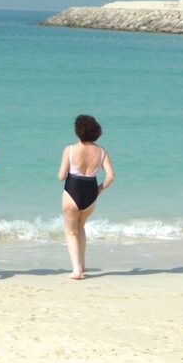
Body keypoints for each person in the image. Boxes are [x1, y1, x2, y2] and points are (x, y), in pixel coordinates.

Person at [58, 114, 115, 280]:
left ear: (78, 131)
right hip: (91, 191)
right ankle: (82, 265)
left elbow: (61, 176)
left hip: (72, 190)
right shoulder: (102, 151)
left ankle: (76, 270)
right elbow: (111, 176)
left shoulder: (69, 149)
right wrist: (99, 190)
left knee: (70, 231)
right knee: (81, 227)